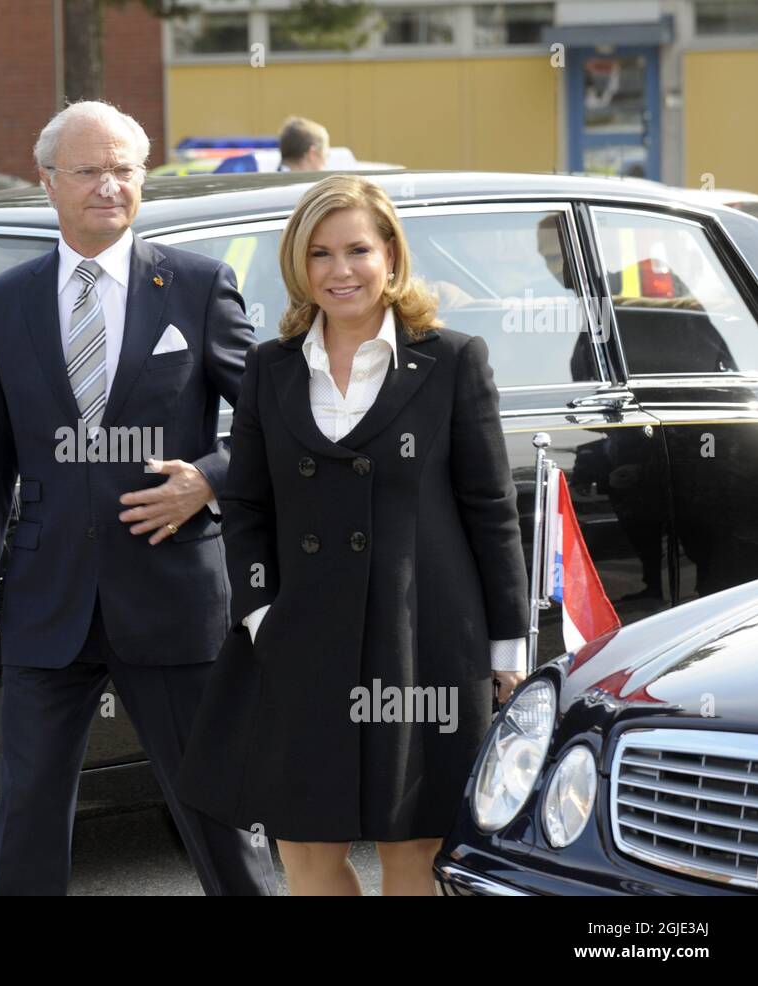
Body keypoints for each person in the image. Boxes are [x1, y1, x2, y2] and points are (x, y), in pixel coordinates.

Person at [0, 100, 274, 895]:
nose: (108, 186)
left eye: (124, 170)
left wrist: (207, 479)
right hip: (44, 600)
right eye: (89, 170)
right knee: (26, 810)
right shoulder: (7, 302)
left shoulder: (196, 286)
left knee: (217, 808)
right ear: (48, 182)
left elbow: (275, 420)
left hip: (171, 597)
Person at [176, 174, 530, 895]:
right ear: (298, 266)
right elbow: (245, 504)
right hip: (302, 642)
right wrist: (260, 611)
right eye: (320, 254)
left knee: (411, 849)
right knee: (306, 851)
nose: (340, 271)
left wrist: (507, 647)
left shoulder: (453, 359)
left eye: (358, 250)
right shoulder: (269, 369)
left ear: (391, 256)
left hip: (424, 641)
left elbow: (491, 509)